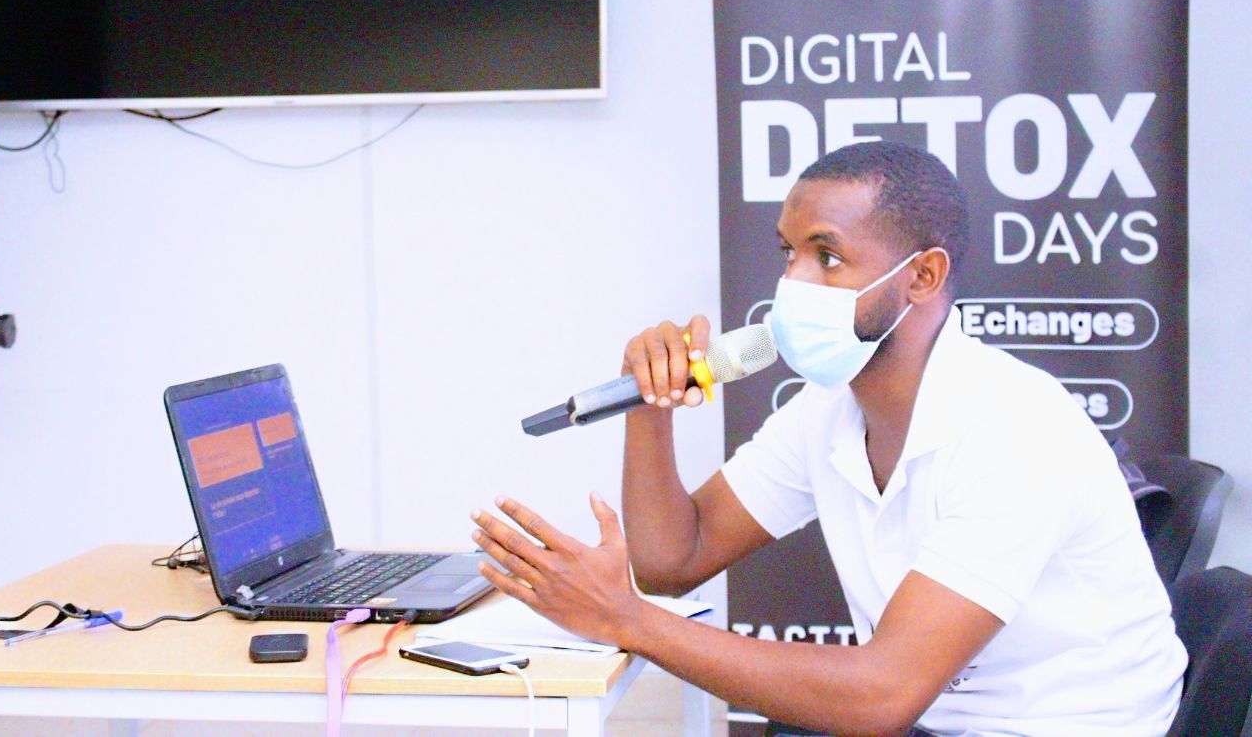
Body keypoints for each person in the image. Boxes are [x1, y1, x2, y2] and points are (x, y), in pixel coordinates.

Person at [469, 141, 1186, 735]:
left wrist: (625, 621)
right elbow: (673, 559)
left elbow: (881, 695)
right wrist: (649, 405)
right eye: (788, 253)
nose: (794, 283)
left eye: (827, 257)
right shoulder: (829, 410)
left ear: (923, 277)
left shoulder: (1017, 429)